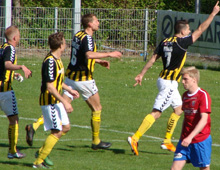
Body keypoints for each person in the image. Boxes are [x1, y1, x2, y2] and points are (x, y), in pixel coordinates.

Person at [127, 1, 219, 156]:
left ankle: (167, 141)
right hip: (169, 83)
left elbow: (152, 59)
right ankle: (135, 138)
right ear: (182, 32)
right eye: (188, 30)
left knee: (178, 109)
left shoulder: (165, 41)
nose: (190, 32)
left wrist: (141, 74)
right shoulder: (182, 43)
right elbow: (202, 28)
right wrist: (213, 13)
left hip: (163, 79)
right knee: (157, 112)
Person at [26, 14, 122, 151]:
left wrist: (99, 61)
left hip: (70, 78)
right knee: (97, 108)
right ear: (90, 24)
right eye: (96, 21)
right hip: (84, 80)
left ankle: (34, 126)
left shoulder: (78, 35)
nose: (98, 23)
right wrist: (110, 54)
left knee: (61, 107)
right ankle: (96, 141)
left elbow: (81, 55)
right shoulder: (88, 38)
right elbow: (88, 54)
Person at [33, 32, 79, 168]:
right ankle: (38, 162)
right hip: (49, 101)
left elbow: (57, 82)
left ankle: (41, 153)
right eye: (64, 42)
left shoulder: (58, 59)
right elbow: (50, 87)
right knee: (57, 131)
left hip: (55, 100)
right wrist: (65, 101)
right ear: (60, 45)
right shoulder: (50, 62)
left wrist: (69, 89)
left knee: (66, 127)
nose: (66, 44)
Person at [0, 25, 32, 159]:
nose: (19, 37)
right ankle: (12, 151)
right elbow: (7, 64)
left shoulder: (1, 48)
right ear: (14, 37)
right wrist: (21, 67)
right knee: (14, 120)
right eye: (18, 35)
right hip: (4, 91)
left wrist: (13, 75)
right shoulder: (11, 48)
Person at [171, 66, 212, 170]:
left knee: (204, 168)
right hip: (184, 141)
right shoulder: (185, 95)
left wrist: (190, 137)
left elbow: (204, 119)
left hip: (200, 140)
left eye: (185, 79)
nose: (182, 82)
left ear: (194, 80)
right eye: (182, 79)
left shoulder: (203, 95)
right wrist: (182, 137)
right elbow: (186, 117)